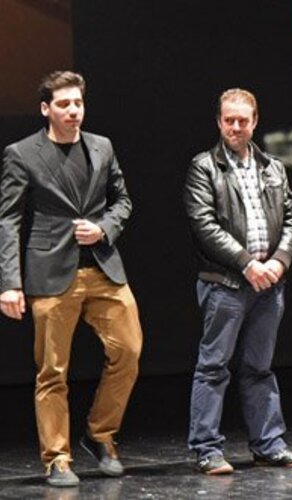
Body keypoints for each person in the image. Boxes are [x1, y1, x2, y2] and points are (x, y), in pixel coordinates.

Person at [0, 71, 143, 487]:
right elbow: (8, 219)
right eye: (64, 104)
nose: (73, 111)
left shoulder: (101, 146)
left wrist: (104, 228)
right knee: (52, 370)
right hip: (49, 272)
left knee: (129, 351)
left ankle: (99, 434)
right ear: (46, 109)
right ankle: (57, 457)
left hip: (102, 267)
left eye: (77, 103)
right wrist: (9, 282)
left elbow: (123, 201)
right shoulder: (21, 154)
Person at [184, 88, 292, 474]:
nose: (236, 127)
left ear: (255, 122)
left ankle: (268, 444)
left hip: (269, 284)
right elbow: (204, 225)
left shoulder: (273, 167)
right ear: (219, 121)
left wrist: (279, 263)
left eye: (243, 120)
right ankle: (207, 449)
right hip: (225, 283)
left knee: (260, 367)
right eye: (229, 120)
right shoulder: (203, 167)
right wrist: (247, 264)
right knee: (213, 367)